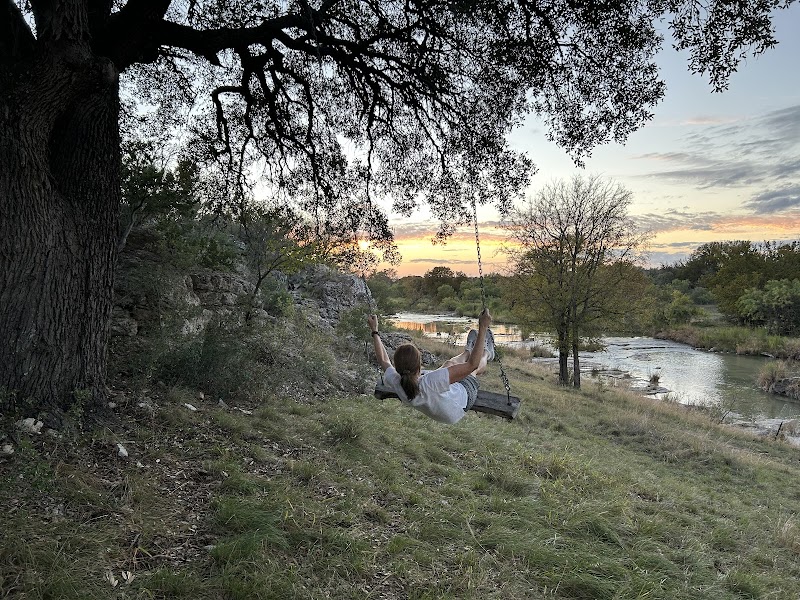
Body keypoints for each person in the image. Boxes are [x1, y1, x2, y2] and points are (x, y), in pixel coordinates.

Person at [366, 309, 495, 424]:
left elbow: (384, 360)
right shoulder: (429, 382)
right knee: (474, 369)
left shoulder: (397, 381)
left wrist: (375, 331)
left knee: (449, 364)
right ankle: (486, 353)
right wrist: (483, 327)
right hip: (460, 404)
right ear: (419, 365)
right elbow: (472, 365)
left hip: (441, 406)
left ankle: (468, 351)